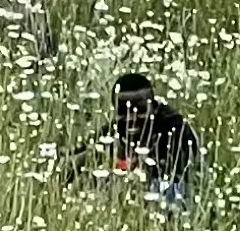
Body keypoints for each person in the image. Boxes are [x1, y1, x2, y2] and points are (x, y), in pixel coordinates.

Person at [64, 73, 205, 214]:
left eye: (141, 110)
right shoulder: (110, 134)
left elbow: (176, 183)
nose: (132, 117)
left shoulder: (178, 133)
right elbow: (72, 163)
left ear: (154, 108)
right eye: (123, 111)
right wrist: (88, 158)